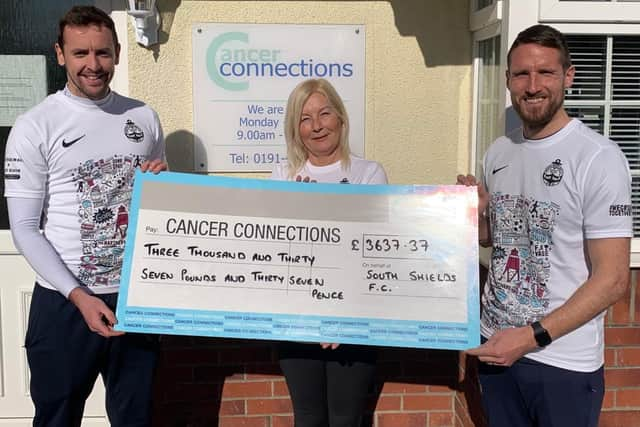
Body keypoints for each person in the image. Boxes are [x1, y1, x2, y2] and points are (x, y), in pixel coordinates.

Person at [457, 24, 631, 427]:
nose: (532, 86)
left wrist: (530, 336)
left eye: (545, 73)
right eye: (521, 74)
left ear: (568, 76)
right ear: (508, 81)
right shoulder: (499, 151)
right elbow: (499, 244)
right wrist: (481, 215)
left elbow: (613, 279)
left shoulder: (597, 158)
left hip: (561, 361)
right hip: (496, 347)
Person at [3, 6, 167, 426]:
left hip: (136, 299)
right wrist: (79, 296)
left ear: (116, 54)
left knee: (137, 417)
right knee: (57, 418)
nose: (93, 65)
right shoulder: (35, 125)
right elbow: (23, 228)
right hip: (65, 304)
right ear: (60, 55)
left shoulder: (143, 118)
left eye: (103, 53)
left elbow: (155, 211)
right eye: (80, 54)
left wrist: (164, 187)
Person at [271, 78, 387, 427]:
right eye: (305, 118)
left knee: (346, 418)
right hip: (297, 320)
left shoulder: (368, 173)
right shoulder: (282, 175)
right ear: (295, 128)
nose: (317, 125)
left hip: (354, 321)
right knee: (306, 417)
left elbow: (372, 252)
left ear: (341, 118)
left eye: (324, 113)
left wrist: (342, 316)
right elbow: (275, 252)